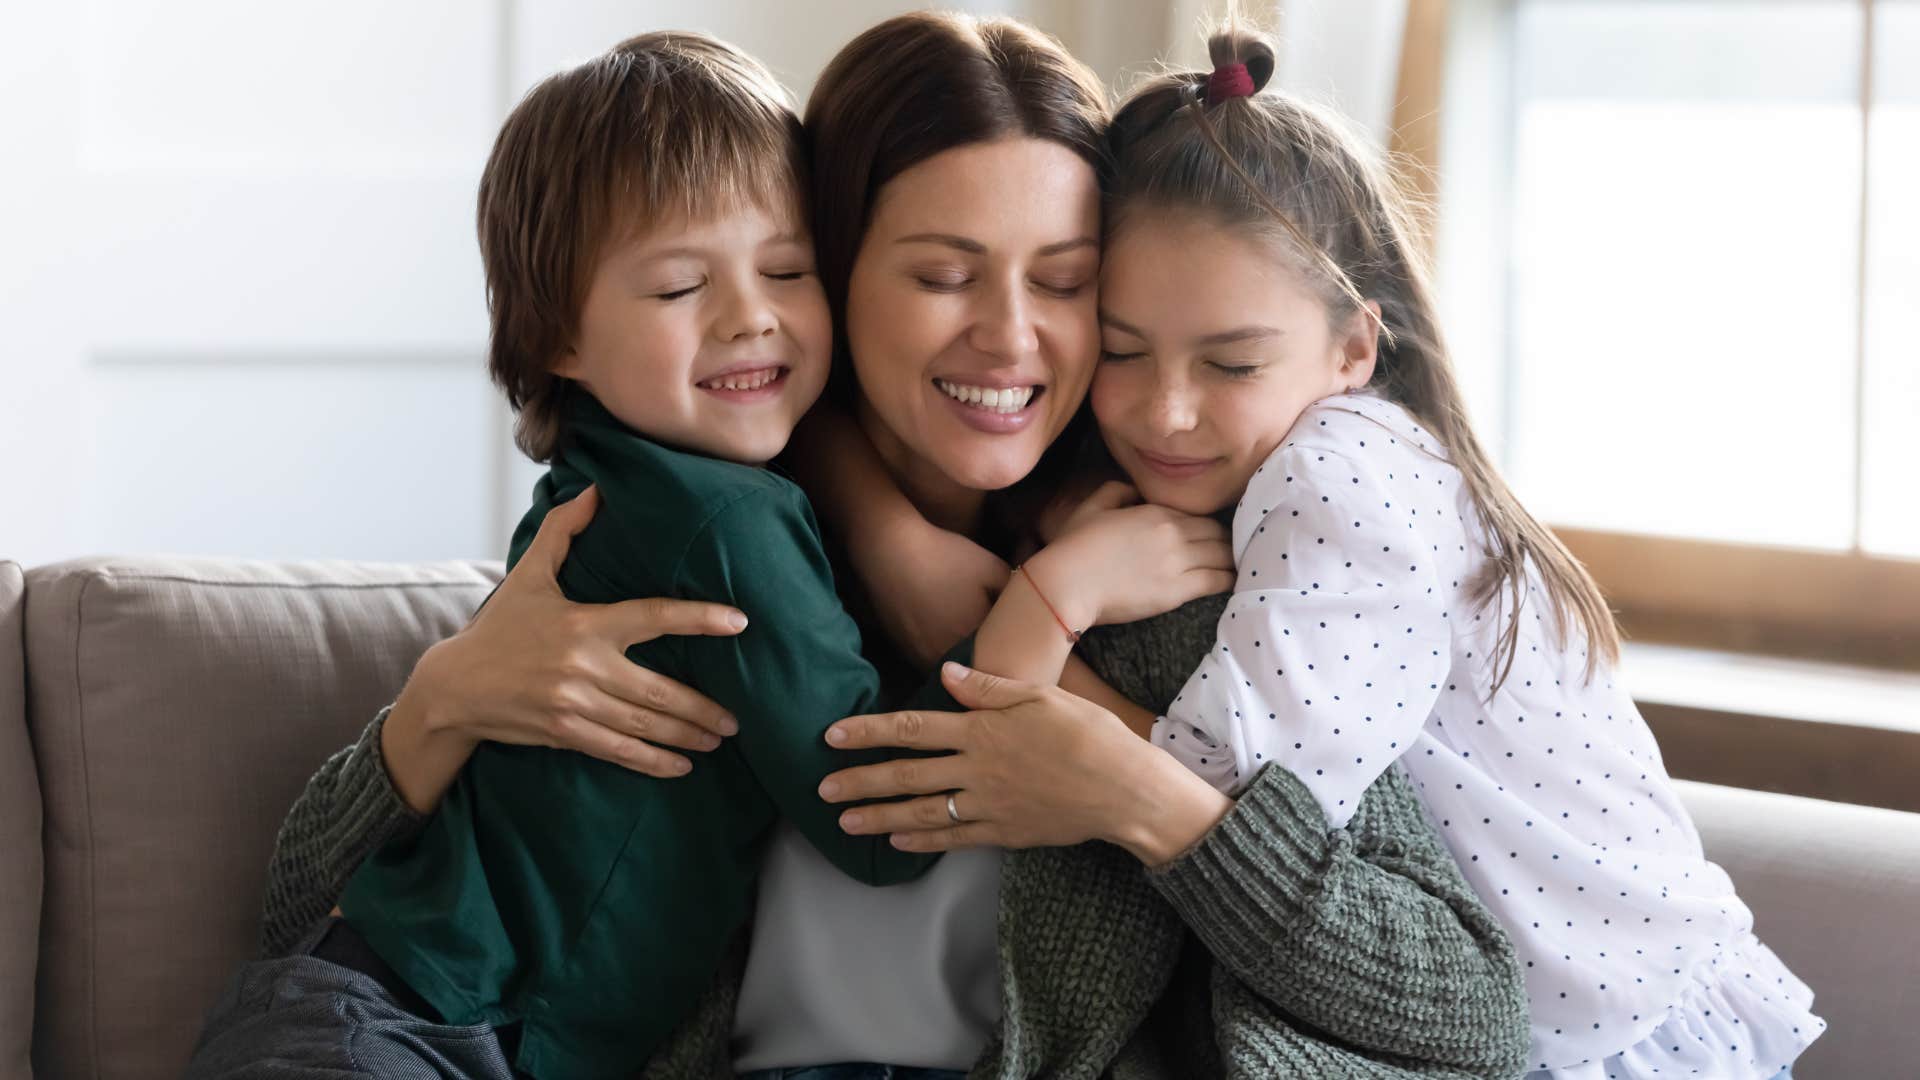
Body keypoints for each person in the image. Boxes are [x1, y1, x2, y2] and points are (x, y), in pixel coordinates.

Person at [195, 14, 1536, 1079]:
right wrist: (437, 703)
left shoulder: (1183, 601)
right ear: (833, 272)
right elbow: (306, 911)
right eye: (943, 275)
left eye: (1065, 282)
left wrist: (1142, 796)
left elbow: (1468, 1006)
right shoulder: (681, 549)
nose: (1011, 336)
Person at [856, 24, 1822, 1080]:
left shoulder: (1341, 474)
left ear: (1355, 347)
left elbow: (1224, 801)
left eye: (1230, 363)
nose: (1165, 412)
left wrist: (1053, 600)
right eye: (1125, 349)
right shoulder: (1255, 456)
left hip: (1616, 1040)